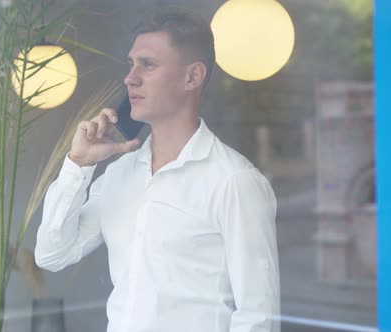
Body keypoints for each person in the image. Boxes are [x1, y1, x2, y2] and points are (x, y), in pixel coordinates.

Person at [35, 8, 280, 332]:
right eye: (131, 64)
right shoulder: (121, 174)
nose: (130, 77)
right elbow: (52, 255)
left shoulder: (233, 181)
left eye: (148, 65)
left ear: (192, 77)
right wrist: (78, 165)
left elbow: (258, 317)